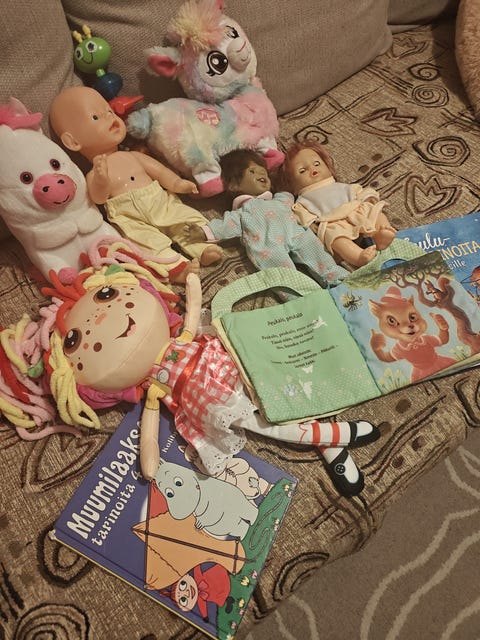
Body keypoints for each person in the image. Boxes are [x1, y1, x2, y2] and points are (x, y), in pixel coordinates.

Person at [49, 86, 223, 283]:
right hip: (129, 217)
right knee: (145, 243)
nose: (109, 117)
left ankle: (203, 248)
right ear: (73, 142)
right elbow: (99, 198)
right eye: (96, 117)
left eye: (109, 111)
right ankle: (177, 270)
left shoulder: (133, 156)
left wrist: (178, 183)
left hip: (159, 202)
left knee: (184, 218)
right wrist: (101, 179)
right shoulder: (93, 174)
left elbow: (160, 172)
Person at [186, 150, 348, 289]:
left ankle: (341, 281)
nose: (261, 174)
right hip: (268, 246)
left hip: (298, 234)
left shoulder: (282, 198)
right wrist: (202, 232)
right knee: (283, 277)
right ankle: (304, 300)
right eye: (252, 171)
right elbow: (223, 226)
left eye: (263, 171)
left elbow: (300, 200)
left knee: (317, 252)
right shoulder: (241, 213)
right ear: (234, 185)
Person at [282, 141, 396, 267]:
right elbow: (301, 214)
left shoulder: (342, 186)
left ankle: (381, 234)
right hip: (333, 222)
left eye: (317, 164)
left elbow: (361, 191)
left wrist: (368, 199)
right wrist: (311, 225)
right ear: (292, 185)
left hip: (356, 209)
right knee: (334, 237)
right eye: (302, 170)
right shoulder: (303, 199)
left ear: (328, 167)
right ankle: (358, 256)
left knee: (374, 211)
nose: (312, 169)